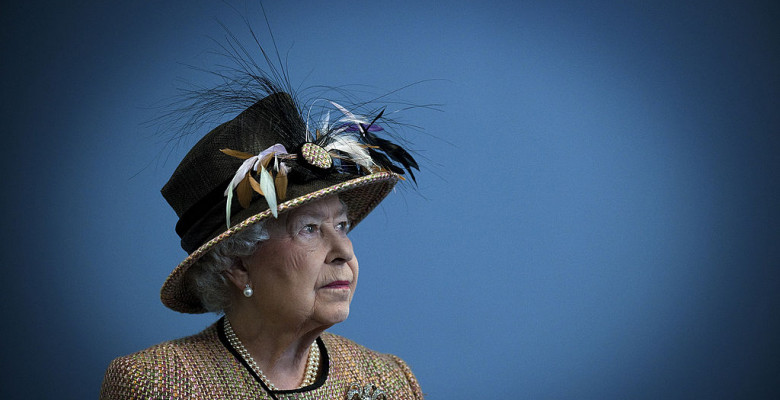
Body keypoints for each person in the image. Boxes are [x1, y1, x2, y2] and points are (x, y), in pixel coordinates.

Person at [99, 69, 424, 398]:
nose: (344, 250)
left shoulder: (391, 382)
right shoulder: (156, 384)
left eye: (341, 225)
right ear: (238, 266)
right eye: (309, 229)